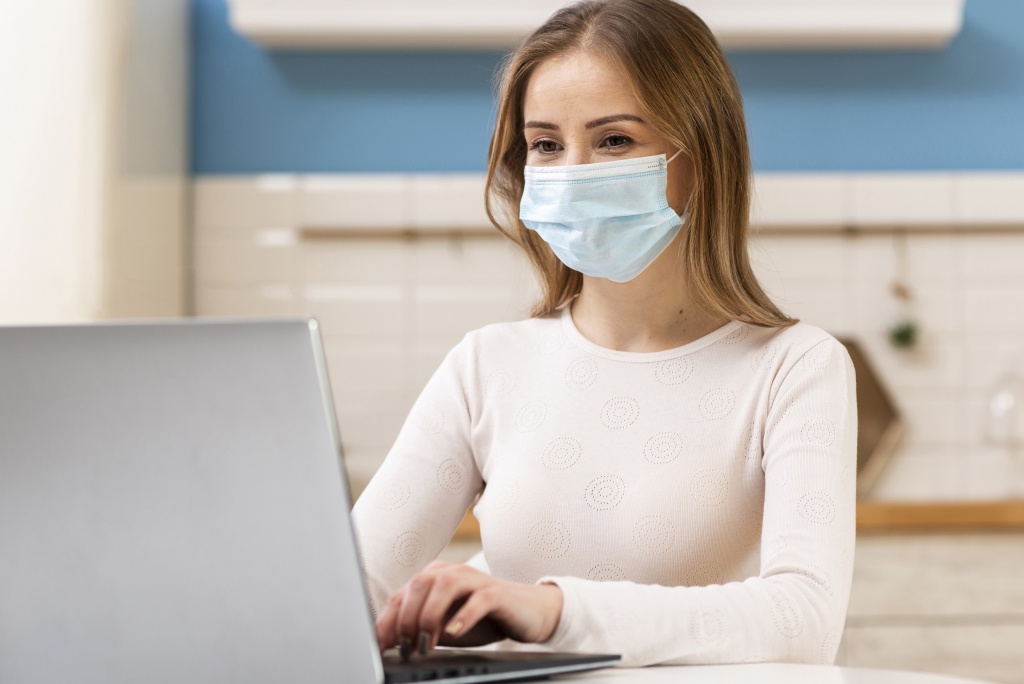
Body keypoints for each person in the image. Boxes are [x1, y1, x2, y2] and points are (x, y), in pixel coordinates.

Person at [351, 0, 857, 668]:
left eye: (614, 140)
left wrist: (555, 611)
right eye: (546, 145)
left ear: (702, 155)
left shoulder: (795, 367)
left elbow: (803, 622)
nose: (573, 174)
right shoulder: (487, 364)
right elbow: (345, 591)